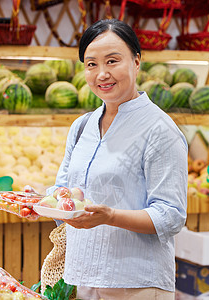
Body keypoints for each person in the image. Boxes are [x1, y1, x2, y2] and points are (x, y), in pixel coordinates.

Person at [46, 18, 188, 300]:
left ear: (136, 62)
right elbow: (66, 191)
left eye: (112, 61)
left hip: (136, 284)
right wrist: (40, 201)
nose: (102, 74)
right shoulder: (82, 127)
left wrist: (110, 216)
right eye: (91, 64)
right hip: (83, 277)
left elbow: (171, 216)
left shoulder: (160, 130)